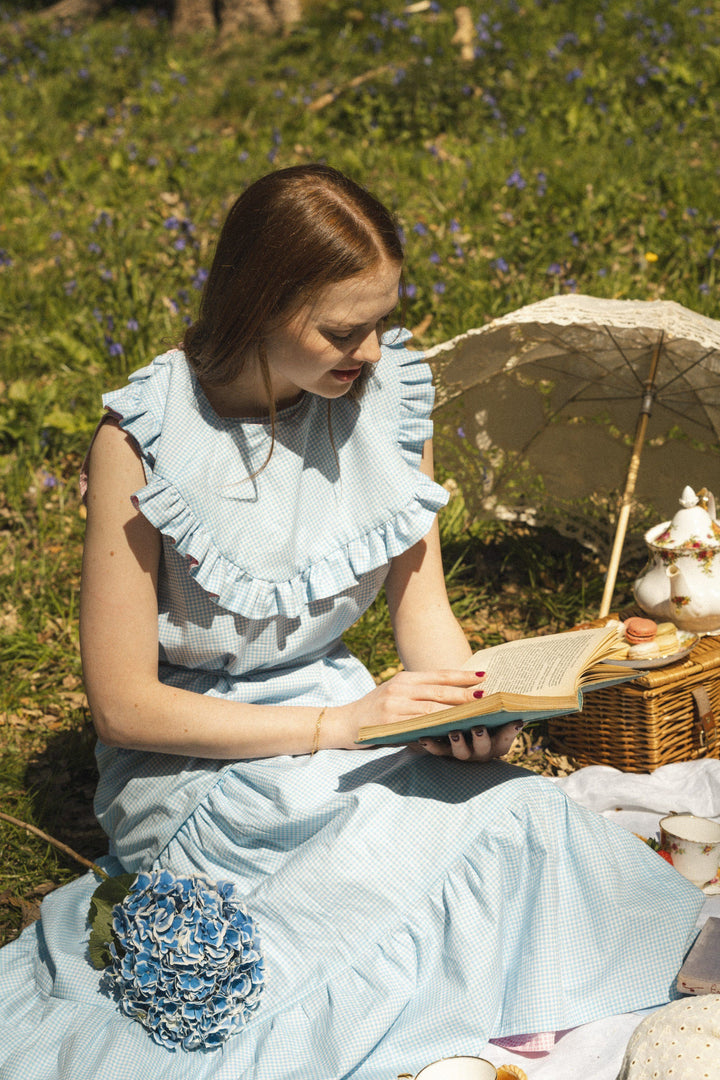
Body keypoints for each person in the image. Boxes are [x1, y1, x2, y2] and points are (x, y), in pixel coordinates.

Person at [0, 165, 704, 1080]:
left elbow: (427, 613)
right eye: (342, 329)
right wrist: (339, 727)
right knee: (360, 880)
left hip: (352, 713)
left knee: (525, 816)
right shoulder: (144, 440)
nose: (369, 349)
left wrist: (467, 709)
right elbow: (126, 708)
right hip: (201, 762)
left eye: (380, 319)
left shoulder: (390, 405)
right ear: (259, 303)